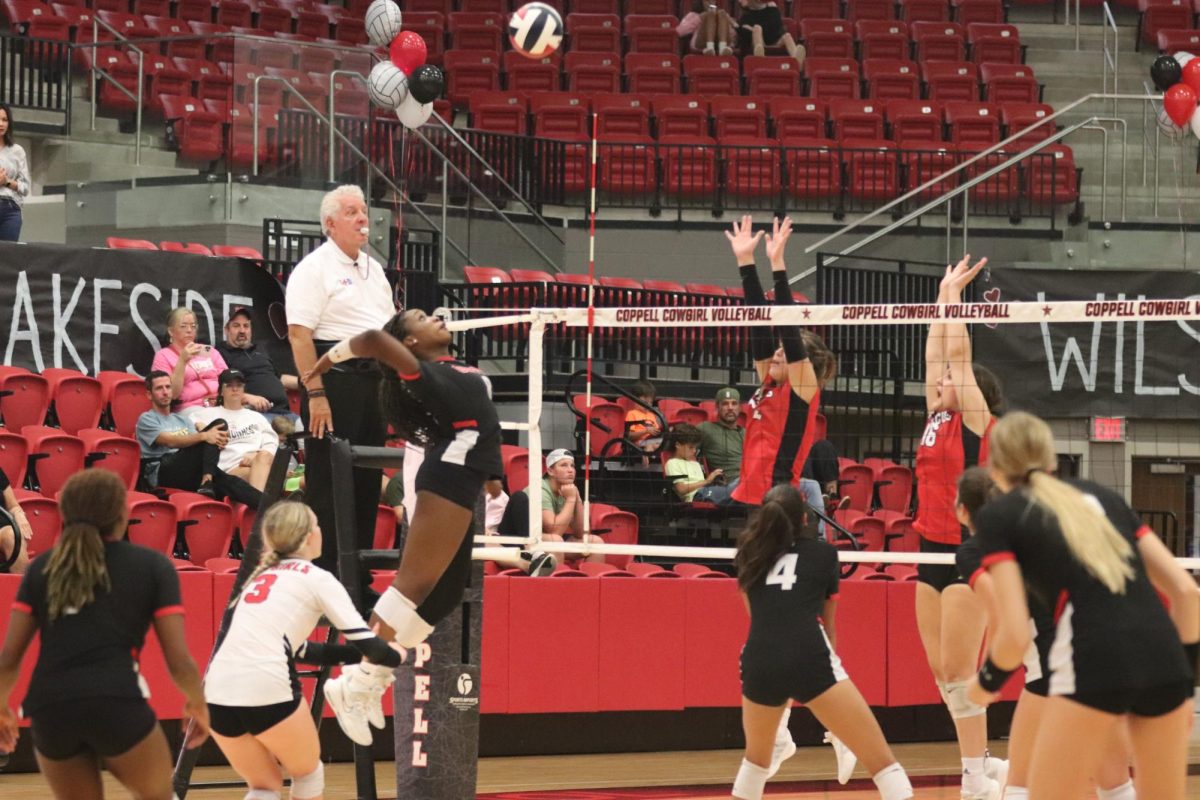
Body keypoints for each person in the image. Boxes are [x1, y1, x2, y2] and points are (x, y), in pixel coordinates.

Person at [965, 411, 1198, 800]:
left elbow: (1015, 632)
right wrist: (1187, 691)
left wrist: (982, 686)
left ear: (995, 468)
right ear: (1052, 460)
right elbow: (1188, 596)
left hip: (1093, 655)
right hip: (1167, 663)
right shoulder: (1105, 498)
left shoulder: (998, 517)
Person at [300, 308, 502, 744]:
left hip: (465, 480)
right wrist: (326, 362)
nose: (439, 316)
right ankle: (358, 680)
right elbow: (373, 337)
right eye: (424, 317)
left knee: (445, 593)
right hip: (447, 478)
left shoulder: (455, 369)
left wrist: (492, 475)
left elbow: (479, 422)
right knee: (412, 585)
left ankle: (364, 678)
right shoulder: (422, 374)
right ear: (409, 344)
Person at [0, 470, 209, 800]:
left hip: (50, 709)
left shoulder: (42, 568)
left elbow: (9, 658)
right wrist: (197, 703)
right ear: (123, 514)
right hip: (115, 700)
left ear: (64, 514)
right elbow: (179, 659)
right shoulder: (152, 566)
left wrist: (0, 707)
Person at [954, 466, 1136, 800]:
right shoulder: (1040, 532)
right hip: (1107, 657)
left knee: (1021, 782)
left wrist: (986, 678)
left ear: (962, 509)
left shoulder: (974, 550)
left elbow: (1006, 616)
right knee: (1115, 784)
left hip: (1054, 671)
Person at [733, 483, 913, 800]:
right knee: (884, 766)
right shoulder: (825, 554)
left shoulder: (749, 555)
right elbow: (828, 627)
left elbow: (757, 617)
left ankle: (783, 742)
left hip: (758, 656)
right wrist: (831, 683)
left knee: (755, 764)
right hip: (808, 653)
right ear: (805, 520)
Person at [205, 501, 404, 778]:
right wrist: (396, 655)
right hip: (266, 686)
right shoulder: (317, 578)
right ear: (310, 535)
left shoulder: (259, 577)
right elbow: (368, 642)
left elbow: (302, 651)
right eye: (318, 526)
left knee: (264, 786)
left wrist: (361, 656)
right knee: (308, 774)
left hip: (216, 693)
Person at [912, 254, 1007, 800]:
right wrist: (942, 293)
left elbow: (958, 355)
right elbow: (936, 350)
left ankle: (975, 777)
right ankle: (984, 763)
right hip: (927, 548)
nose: (943, 379)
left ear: (974, 391)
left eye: (952, 379)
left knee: (957, 669)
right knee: (944, 676)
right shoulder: (936, 415)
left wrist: (958, 306)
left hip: (967, 550)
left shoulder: (976, 422)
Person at [287, 184, 395, 572]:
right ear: (330, 224)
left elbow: (387, 329)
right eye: (352, 212)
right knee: (331, 478)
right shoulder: (313, 269)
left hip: (374, 380)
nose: (363, 218)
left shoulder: (375, 270)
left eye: (364, 211)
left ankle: (357, 574)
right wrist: (315, 393)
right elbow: (299, 334)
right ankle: (324, 572)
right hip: (334, 379)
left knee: (367, 479)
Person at [726, 215, 837, 508]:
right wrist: (746, 263)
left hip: (778, 498)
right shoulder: (769, 382)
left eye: (784, 351)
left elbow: (787, 328)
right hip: (751, 495)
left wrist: (778, 265)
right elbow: (759, 325)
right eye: (777, 349)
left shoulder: (802, 389)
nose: (776, 353)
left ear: (804, 362)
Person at [136, 370, 264, 508]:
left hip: (189, 470)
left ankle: (273, 509)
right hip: (163, 471)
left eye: (168, 387)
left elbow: (200, 443)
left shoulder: (182, 419)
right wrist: (204, 435)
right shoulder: (146, 419)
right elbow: (169, 441)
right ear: (149, 394)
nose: (165, 392)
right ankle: (207, 480)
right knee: (214, 428)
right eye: (159, 388)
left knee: (230, 482)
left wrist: (212, 440)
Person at [190, 369, 280, 492]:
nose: (235, 389)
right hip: (228, 470)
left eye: (239, 385)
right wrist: (201, 428)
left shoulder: (257, 417)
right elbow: (193, 437)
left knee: (299, 478)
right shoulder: (203, 415)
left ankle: (260, 503)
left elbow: (272, 443)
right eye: (229, 385)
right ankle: (260, 505)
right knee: (275, 479)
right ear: (221, 390)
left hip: (259, 464)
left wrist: (256, 457)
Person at [215, 306, 302, 428]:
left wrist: (308, 383)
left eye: (246, 326)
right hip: (255, 416)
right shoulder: (220, 354)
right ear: (226, 330)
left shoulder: (260, 350)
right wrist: (247, 398)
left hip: (285, 413)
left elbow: (279, 378)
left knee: (313, 435)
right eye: (236, 326)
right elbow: (219, 389)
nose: (242, 330)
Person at [151, 307, 229, 419]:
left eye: (193, 326)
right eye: (183, 326)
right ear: (171, 331)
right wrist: (182, 361)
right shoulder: (163, 356)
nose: (189, 330)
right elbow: (172, 394)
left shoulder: (207, 350)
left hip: (220, 404)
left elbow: (228, 380)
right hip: (189, 408)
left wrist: (244, 397)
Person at [696, 386, 744, 505]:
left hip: (749, 482)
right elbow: (680, 443)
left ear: (740, 407)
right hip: (726, 486)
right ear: (717, 407)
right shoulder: (705, 428)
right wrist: (651, 443)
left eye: (734, 403)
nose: (730, 408)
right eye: (725, 404)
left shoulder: (747, 433)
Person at [665, 423, 725, 502]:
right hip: (695, 497)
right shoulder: (672, 463)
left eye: (695, 447)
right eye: (690, 447)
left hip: (707, 493)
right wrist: (707, 481)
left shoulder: (695, 463)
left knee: (732, 488)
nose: (694, 451)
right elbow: (681, 489)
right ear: (678, 445)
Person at [735, 0, 804, 64]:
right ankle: (760, 58)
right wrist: (752, 29)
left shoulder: (771, 9)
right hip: (759, 41)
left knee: (787, 36)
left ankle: (797, 60)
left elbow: (777, 26)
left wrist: (751, 28)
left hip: (772, 38)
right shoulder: (746, 15)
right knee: (757, 29)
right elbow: (743, 32)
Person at [0, 103, 29, 243]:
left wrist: (7, 181)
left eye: (5, 120)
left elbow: (25, 188)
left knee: (8, 258)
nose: (1, 124)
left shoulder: (17, 151)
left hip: (10, 209)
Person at [0, 466, 32, 574]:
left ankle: (22, 588)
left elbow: (13, 505)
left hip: (2, 529)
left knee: (13, 535)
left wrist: (19, 515)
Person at [625, 380, 663, 452]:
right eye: (645, 402)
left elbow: (657, 431)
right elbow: (629, 435)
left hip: (652, 441)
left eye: (650, 402)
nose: (648, 405)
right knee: (652, 445)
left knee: (667, 443)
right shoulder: (632, 414)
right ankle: (646, 458)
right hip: (638, 443)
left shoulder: (651, 415)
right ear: (635, 400)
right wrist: (646, 431)